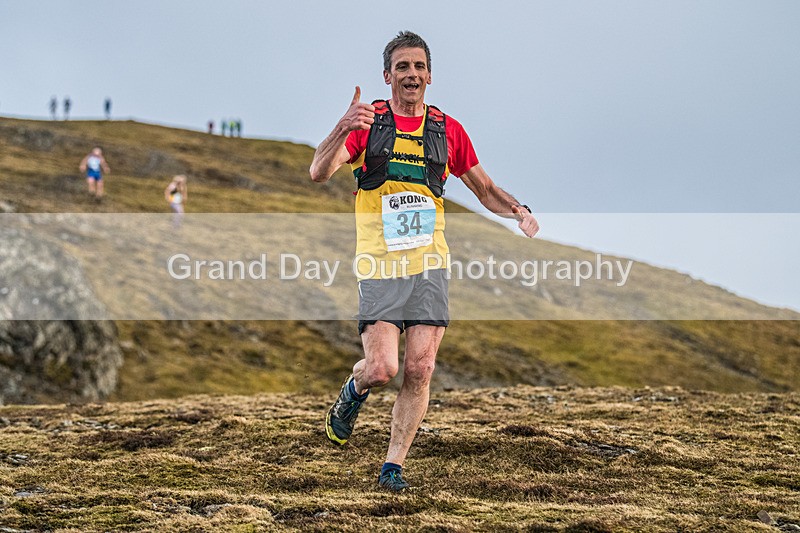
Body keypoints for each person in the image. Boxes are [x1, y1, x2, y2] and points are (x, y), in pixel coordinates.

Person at [309, 31, 539, 492]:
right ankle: (352, 392)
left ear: (429, 75)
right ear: (387, 75)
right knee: (382, 369)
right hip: (379, 264)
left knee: (421, 368)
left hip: (430, 264)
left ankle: (392, 467)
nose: (410, 74)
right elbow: (319, 171)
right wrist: (342, 125)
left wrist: (518, 209)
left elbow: (485, 190)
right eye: (402, 67)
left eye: (418, 67)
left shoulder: (446, 131)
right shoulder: (368, 125)